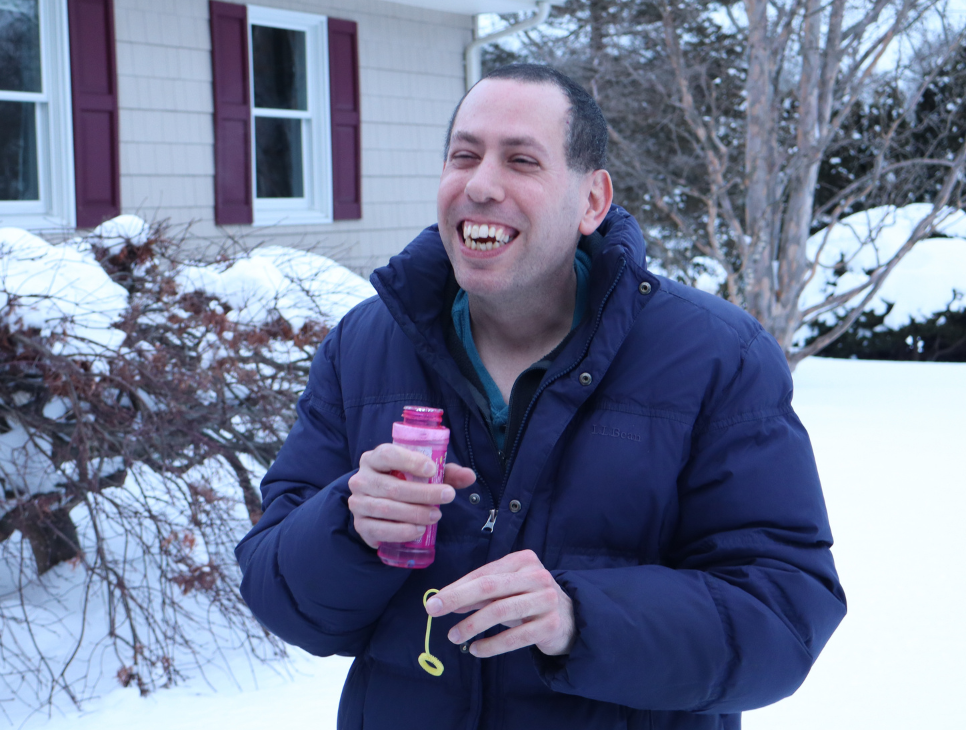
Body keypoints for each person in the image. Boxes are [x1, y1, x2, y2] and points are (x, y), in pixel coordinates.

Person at [235, 64, 846, 730]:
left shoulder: (716, 356)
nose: (480, 184)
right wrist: (349, 527)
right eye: (463, 156)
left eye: (521, 160)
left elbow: (783, 614)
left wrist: (581, 617)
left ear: (592, 202)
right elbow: (275, 592)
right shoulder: (364, 346)